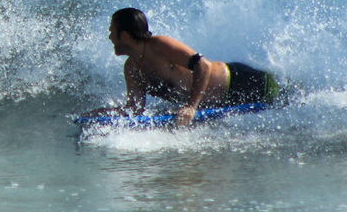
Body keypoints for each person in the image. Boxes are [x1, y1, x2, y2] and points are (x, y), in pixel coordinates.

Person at [93, 7, 283, 127]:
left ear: (124, 36)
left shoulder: (158, 46)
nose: (110, 37)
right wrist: (96, 116)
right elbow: (134, 109)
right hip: (223, 103)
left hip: (241, 82)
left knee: (291, 100)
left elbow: (203, 65)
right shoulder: (132, 69)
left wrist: (191, 107)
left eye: (112, 32)